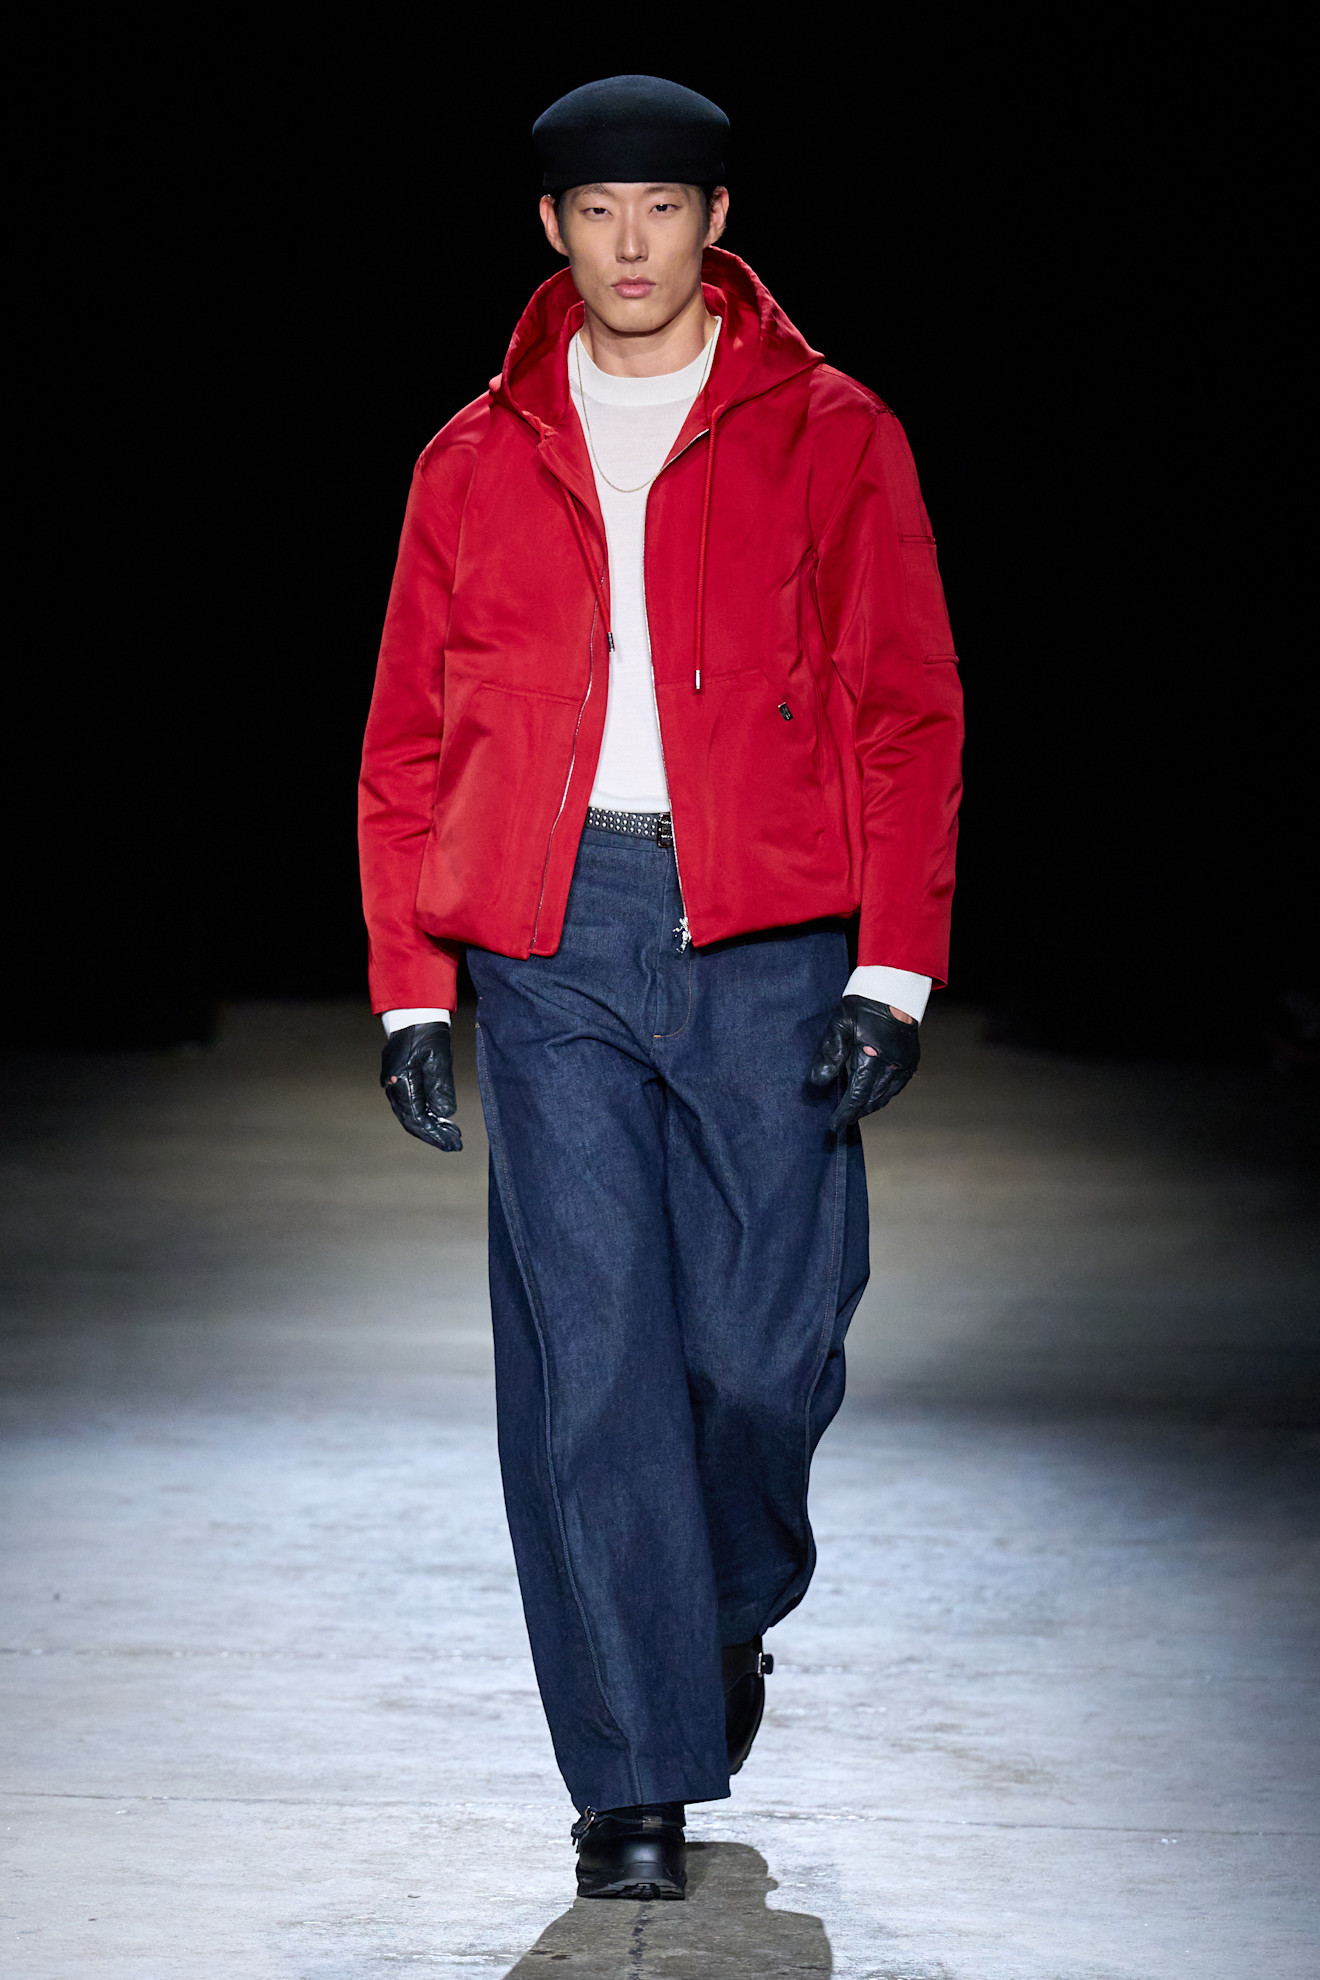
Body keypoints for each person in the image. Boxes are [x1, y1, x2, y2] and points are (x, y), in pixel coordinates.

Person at [358, 73, 963, 1901]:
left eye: (665, 208)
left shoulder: (833, 431)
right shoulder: (473, 457)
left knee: (765, 1352)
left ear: (717, 221)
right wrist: (410, 986)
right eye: (598, 211)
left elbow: (907, 705)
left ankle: (719, 1608)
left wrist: (894, 968)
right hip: (549, 936)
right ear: (552, 228)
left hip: (768, 930)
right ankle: (631, 1778)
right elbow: (407, 737)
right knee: (592, 1355)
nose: (632, 243)